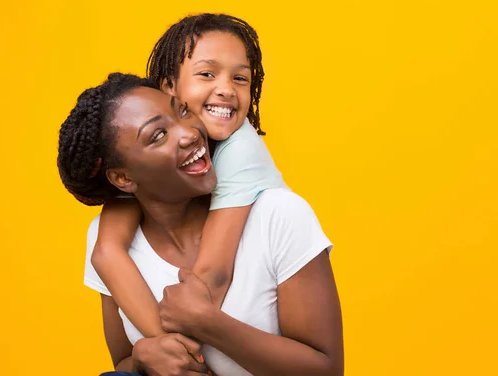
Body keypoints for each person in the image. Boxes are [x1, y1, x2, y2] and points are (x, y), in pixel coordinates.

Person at [57, 73, 344, 375]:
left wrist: (210, 324)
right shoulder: (109, 242)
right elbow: (123, 364)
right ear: (124, 179)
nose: (189, 133)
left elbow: (328, 370)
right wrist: (142, 359)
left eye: (181, 110)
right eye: (157, 135)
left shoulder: (277, 214)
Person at [92, 14, 285, 338]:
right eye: (207, 74)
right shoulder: (147, 154)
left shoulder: (240, 151)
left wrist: (178, 355)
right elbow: (107, 251)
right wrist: (155, 349)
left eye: (241, 78)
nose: (226, 89)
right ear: (169, 85)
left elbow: (213, 275)